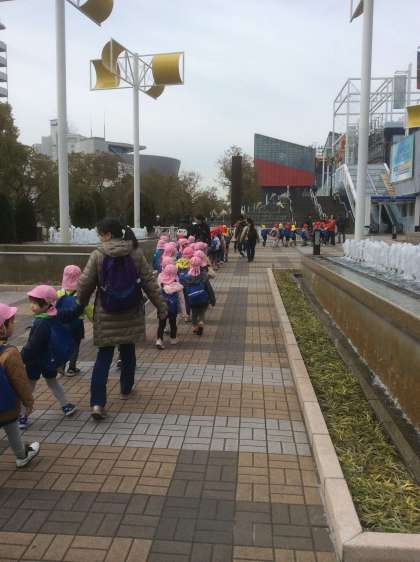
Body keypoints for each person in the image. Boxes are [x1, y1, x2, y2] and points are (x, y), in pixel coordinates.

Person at [77, 218, 167, 420]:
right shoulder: (135, 253)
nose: (99, 238)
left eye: (100, 234)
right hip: (131, 311)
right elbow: (149, 283)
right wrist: (161, 307)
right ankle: (126, 388)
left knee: (103, 357)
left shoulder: (98, 255)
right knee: (128, 350)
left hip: (106, 312)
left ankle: (97, 404)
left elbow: (84, 285)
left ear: (108, 234)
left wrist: (80, 305)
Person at [20, 285, 79, 429]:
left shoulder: (41, 323)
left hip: (35, 361)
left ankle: (22, 416)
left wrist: (20, 358)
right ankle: (65, 406)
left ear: (47, 304)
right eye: (31, 302)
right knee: (53, 382)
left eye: (35, 303)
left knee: (29, 387)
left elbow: (32, 346)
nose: (32, 306)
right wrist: (80, 306)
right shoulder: (54, 314)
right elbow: (70, 314)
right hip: (49, 359)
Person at [0, 303, 40, 468]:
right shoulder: (10, 353)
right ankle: (22, 456)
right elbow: (20, 381)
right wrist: (28, 401)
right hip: (6, 406)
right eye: (11, 321)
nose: (14, 324)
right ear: (2, 328)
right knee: (11, 428)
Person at [56, 265, 92, 376]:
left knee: (63, 344)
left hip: (62, 324)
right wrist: (94, 319)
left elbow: (53, 308)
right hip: (76, 324)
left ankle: (61, 365)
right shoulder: (82, 295)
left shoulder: (59, 293)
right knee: (75, 346)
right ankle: (72, 368)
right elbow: (88, 310)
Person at [181, 256, 216, 336]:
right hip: (203, 299)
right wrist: (212, 300)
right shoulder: (204, 275)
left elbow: (185, 291)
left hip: (192, 300)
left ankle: (195, 326)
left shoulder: (187, 277)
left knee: (194, 313)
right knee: (202, 312)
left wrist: (186, 303)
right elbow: (209, 289)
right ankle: (201, 321)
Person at [156, 263, 186, 350]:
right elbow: (181, 299)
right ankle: (173, 338)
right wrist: (184, 313)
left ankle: (159, 340)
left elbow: (157, 295)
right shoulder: (177, 285)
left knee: (161, 324)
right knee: (173, 323)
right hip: (173, 308)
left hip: (162, 307)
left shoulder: (161, 282)